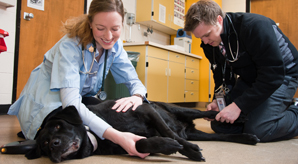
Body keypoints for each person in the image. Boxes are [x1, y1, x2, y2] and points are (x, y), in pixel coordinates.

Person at [8, 0, 149, 158]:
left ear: (122, 24)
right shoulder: (70, 46)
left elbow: (134, 82)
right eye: (100, 28)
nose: (109, 36)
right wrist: (119, 137)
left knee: (113, 113)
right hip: (45, 106)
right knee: (74, 132)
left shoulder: (115, 47)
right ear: (90, 23)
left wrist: (137, 96)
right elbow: (71, 104)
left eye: (115, 29)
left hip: (76, 100)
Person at [184, 0, 298, 142]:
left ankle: (293, 111)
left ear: (219, 19)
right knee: (220, 123)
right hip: (250, 77)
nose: (205, 41)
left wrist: (239, 106)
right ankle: (262, 114)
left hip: (282, 74)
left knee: (259, 130)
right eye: (200, 37)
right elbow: (221, 74)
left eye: (207, 34)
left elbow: (273, 75)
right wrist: (219, 101)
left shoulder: (254, 26)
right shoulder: (209, 42)